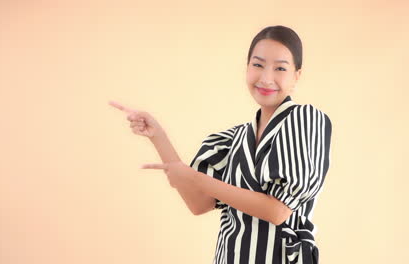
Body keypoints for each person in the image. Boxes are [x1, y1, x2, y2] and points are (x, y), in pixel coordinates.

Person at [109, 25, 332, 264]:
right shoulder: (230, 140)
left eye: (280, 68)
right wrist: (158, 136)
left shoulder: (305, 119)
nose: (267, 78)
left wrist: (193, 177)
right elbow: (199, 203)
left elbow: (278, 211)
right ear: (247, 67)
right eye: (258, 65)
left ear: (297, 75)